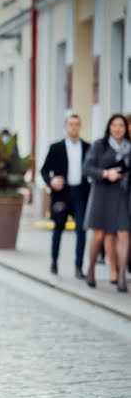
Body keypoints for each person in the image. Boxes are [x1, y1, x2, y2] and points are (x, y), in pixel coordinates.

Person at [82, 113, 130, 292]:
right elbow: (86, 169)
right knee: (99, 235)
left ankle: (122, 275)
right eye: (114, 125)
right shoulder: (99, 145)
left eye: (121, 126)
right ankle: (91, 269)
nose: (118, 129)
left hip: (121, 195)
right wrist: (105, 174)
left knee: (124, 234)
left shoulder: (129, 148)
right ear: (109, 127)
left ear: (126, 129)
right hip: (102, 194)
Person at [40, 114, 90, 279]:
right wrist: (51, 181)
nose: (74, 127)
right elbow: (44, 170)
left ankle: (79, 267)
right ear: (66, 127)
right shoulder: (56, 148)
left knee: (81, 230)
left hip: (80, 193)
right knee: (58, 229)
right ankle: (54, 261)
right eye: (71, 124)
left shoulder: (87, 147)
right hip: (61, 194)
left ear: (80, 127)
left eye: (77, 124)